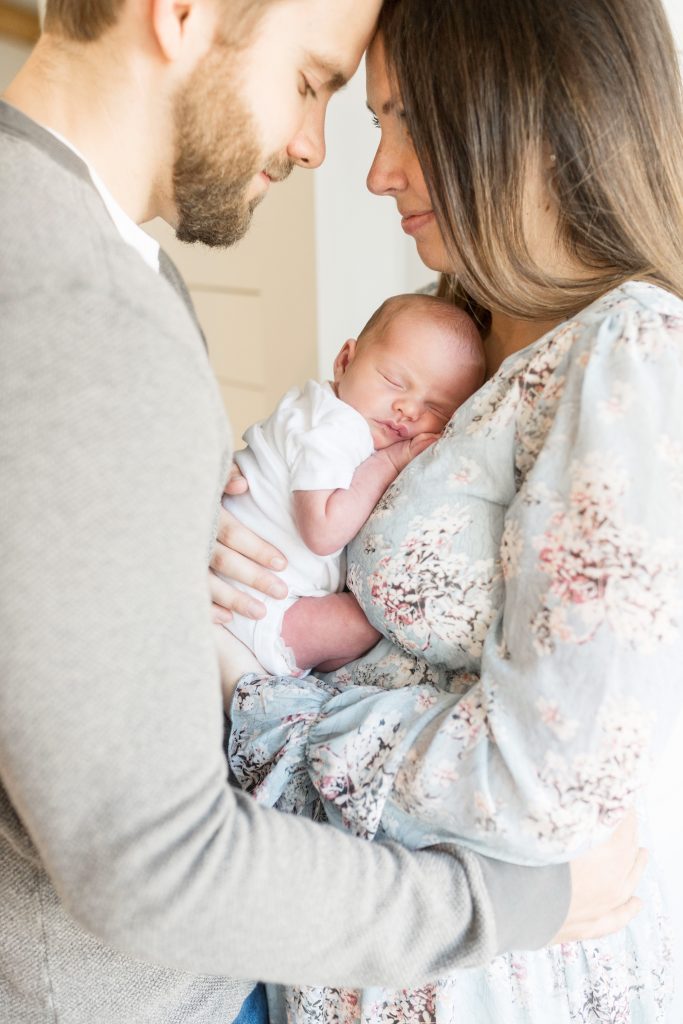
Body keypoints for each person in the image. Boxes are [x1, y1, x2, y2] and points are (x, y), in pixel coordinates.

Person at [0, 0, 644, 1022]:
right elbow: (150, 859)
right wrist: (506, 902)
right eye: (312, 84)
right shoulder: (82, 306)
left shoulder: (106, 268)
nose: (325, 152)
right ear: (181, 14)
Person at [217, 0, 683, 1020]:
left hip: (500, 979)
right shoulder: (461, 340)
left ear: (520, 108)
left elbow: (546, 779)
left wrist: (267, 732)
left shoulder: (629, 355)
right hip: (358, 947)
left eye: (403, 118)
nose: (376, 170)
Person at [217, 293, 485, 677]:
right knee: (363, 622)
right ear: (345, 361)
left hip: (239, 588)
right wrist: (390, 461)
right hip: (258, 609)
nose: (409, 410)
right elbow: (323, 532)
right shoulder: (339, 428)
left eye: (437, 410)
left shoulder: (315, 404)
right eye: (395, 382)